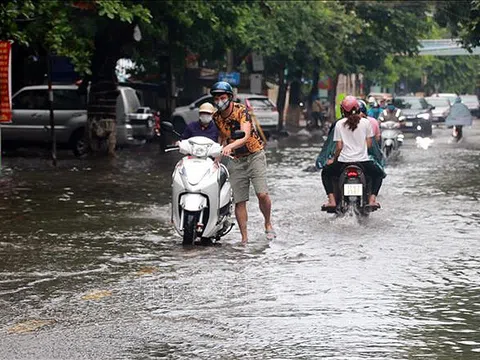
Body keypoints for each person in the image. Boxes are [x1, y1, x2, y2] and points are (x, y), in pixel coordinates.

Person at [210, 81, 275, 244]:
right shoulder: (216, 117)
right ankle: (244, 239)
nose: (219, 100)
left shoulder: (241, 111)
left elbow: (245, 135)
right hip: (235, 160)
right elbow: (222, 137)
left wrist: (230, 146)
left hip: (254, 155)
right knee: (240, 200)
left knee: (262, 194)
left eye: (222, 97)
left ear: (230, 97)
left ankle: (267, 223)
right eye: (216, 98)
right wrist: (217, 156)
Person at [321, 96, 384, 209]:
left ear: (343, 111)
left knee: (325, 173)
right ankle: (372, 200)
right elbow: (369, 144)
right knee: (379, 174)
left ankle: (332, 201)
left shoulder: (339, 124)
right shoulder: (366, 123)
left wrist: (333, 160)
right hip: (363, 162)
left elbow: (339, 147)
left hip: (343, 163)